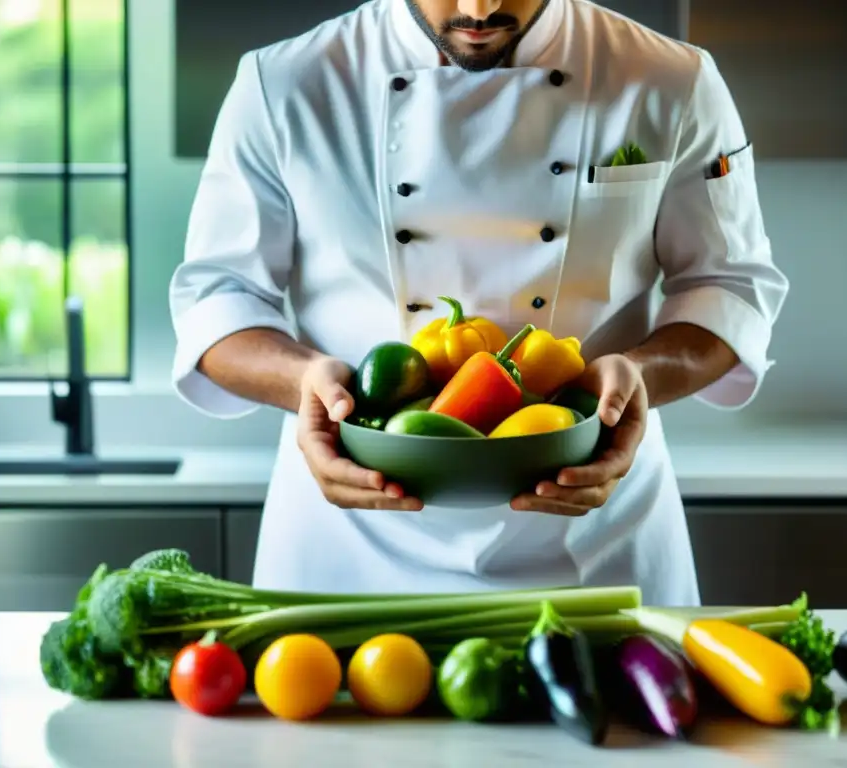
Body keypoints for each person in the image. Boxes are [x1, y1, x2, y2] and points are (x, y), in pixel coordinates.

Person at [168, 0, 788, 605]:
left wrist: (640, 378)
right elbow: (218, 300)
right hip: (349, 548)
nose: (480, 7)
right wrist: (305, 382)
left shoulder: (671, 79)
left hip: (594, 545)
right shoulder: (284, 84)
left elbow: (729, 287)